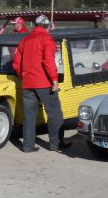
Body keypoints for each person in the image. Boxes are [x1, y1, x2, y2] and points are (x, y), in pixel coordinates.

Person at [12, 15, 71, 153]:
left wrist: (24, 77)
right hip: (44, 83)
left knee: (29, 116)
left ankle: (27, 146)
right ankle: (55, 144)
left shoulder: (24, 40)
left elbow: (16, 65)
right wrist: (54, 80)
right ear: (46, 26)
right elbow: (48, 62)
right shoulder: (47, 39)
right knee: (55, 113)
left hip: (27, 83)